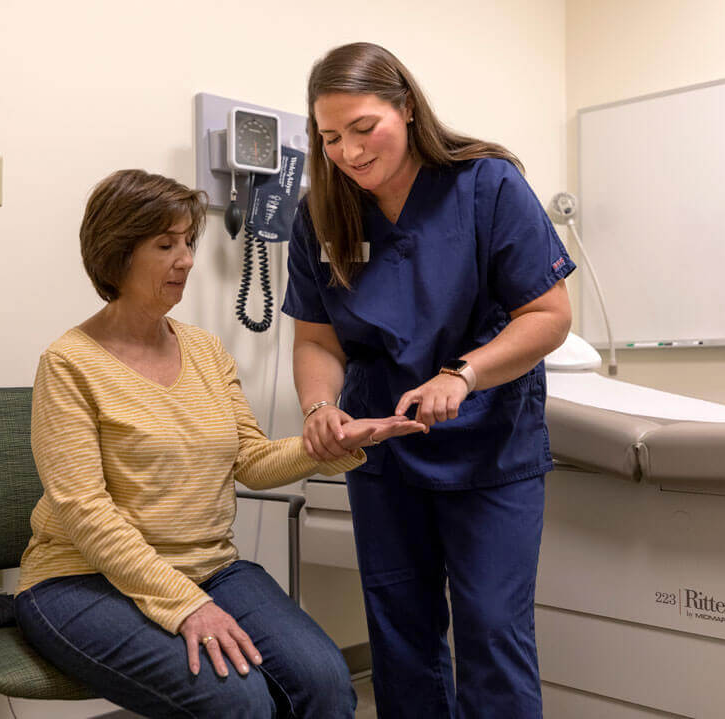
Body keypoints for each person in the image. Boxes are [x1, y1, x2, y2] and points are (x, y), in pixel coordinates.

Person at [14, 169, 425, 718]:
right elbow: (85, 511)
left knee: (326, 682)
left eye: (188, 242)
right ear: (116, 254)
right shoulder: (69, 364)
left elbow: (250, 460)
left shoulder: (205, 351)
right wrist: (185, 605)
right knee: (237, 700)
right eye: (166, 245)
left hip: (210, 568)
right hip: (81, 580)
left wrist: (329, 443)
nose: (187, 260)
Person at [282, 43, 575, 718]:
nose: (350, 152)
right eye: (330, 138)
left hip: (489, 443)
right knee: (400, 633)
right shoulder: (322, 215)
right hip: (383, 449)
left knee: (492, 629)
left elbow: (549, 315)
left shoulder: (487, 185)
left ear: (408, 108)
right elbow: (317, 338)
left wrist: (464, 375)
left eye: (364, 128)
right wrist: (319, 406)